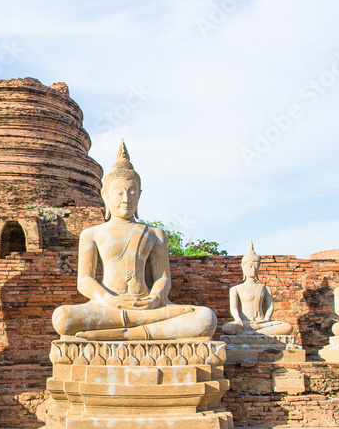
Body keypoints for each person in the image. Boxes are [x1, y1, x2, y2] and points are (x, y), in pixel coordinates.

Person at [51, 142, 216, 340]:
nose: (126, 198)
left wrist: (155, 299)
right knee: (63, 317)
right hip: (107, 307)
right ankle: (139, 333)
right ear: (105, 196)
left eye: (132, 192)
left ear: (139, 195)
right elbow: (85, 281)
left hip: (148, 307)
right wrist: (111, 301)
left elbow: (162, 278)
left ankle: (128, 333)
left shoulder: (155, 234)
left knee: (205, 318)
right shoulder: (92, 233)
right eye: (119, 192)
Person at [222, 239, 292, 336]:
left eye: (256, 266)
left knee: (287, 327)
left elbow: (270, 306)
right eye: (250, 266)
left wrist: (267, 319)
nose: (253, 269)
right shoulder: (236, 289)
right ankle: (257, 332)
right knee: (227, 328)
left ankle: (253, 333)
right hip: (245, 323)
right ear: (243, 268)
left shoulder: (265, 288)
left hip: (263, 322)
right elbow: (233, 308)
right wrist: (238, 319)